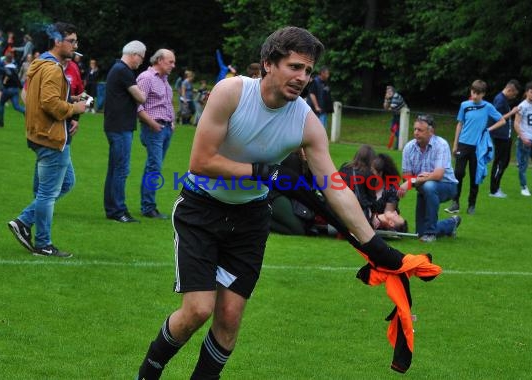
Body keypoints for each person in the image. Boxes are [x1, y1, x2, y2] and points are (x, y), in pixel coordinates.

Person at [136, 26, 410, 379]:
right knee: (198, 310)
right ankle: (148, 373)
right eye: (295, 67)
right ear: (268, 63)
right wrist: (261, 170)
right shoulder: (231, 92)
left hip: (250, 219)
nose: (302, 77)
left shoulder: (306, 122)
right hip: (201, 209)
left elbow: (334, 187)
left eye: (308, 71)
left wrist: (377, 246)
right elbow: (200, 161)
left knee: (230, 318)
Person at [7, 22, 86, 257]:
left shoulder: (39, 63)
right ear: (57, 41)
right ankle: (42, 243)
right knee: (47, 193)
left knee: (65, 183)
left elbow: (35, 97)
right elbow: (50, 103)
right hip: (51, 138)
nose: (75, 46)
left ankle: (25, 222)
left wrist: (71, 101)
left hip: (41, 134)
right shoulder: (52, 69)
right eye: (71, 41)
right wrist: (75, 107)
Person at [446, 80, 506, 215]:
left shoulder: (488, 107)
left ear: (483, 94)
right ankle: (455, 202)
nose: (475, 96)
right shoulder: (464, 105)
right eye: (473, 92)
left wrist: (488, 130)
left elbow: (502, 120)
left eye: (478, 93)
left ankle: (471, 205)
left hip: (478, 147)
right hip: (463, 144)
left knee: (475, 176)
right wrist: (455, 144)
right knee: (458, 173)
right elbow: (459, 124)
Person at [103, 40, 147, 223]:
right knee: (121, 169)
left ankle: (112, 208)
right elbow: (141, 97)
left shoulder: (117, 69)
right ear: (134, 54)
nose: (141, 62)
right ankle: (119, 210)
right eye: (141, 58)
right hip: (120, 127)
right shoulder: (124, 71)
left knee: (114, 169)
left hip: (115, 125)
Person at [399, 114, 461, 242]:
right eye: (415, 129)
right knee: (419, 234)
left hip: (447, 186)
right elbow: (407, 178)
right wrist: (418, 179)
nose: (416, 133)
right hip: (423, 188)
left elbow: (438, 175)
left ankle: (431, 233)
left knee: (429, 185)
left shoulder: (441, 145)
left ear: (431, 131)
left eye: (420, 130)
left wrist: (417, 179)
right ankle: (451, 223)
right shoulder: (409, 148)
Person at [136, 49, 176, 219]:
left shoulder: (164, 80)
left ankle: (148, 205)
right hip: (153, 129)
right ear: (159, 60)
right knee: (154, 167)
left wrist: (172, 122)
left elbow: (166, 103)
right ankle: (148, 207)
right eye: (170, 62)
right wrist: (152, 123)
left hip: (165, 129)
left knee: (153, 167)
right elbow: (137, 106)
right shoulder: (146, 78)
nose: (173, 66)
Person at [488, 79, 521, 198]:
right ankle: (494, 190)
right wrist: (512, 112)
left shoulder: (503, 100)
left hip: (505, 136)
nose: (514, 96)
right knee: (499, 162)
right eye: (514, 93)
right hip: (500, 136)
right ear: (510, 89)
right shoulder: (500, 100)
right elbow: (497, 117)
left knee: (504, 162)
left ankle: (496, 187)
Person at [0, 53, 25, 127]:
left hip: (7, 90)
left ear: (5, 60)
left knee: (1, 104)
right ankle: (26, 111)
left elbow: (7, 74)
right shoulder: (15, 68)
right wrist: (21, 88)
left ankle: (1, 122)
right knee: (16, 106)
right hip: (15, 90)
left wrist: (5, 81)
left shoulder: (6, 68)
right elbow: (18, 80)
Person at [383, 85, 406, 150]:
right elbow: (385, 107)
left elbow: (391, 108)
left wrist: (388, 105)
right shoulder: (390, 97)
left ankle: (397, 146)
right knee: (392, 129)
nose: (388, 93)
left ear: (393, 92)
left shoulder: (396, 96)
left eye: (390, 91)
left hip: (402, 115)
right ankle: (397, 144)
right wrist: (386, 99)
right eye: (387, 91)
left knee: (399, 131)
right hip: (396, 114)